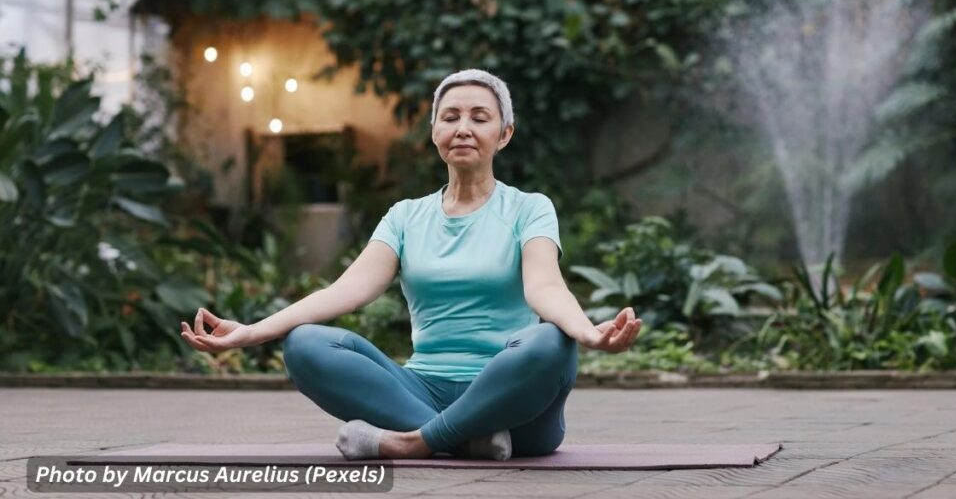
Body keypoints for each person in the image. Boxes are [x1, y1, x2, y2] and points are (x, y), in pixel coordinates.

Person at [179, 69, 642, 461]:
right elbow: (346, 291)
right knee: (304, 345)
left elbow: (544, 287)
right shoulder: (405, 216)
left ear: (504, 135)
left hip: (515, 408)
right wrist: (253, 332)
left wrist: (587, 332)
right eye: (451, 117)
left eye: (480, 118)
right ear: (434, 131)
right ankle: (465, 439)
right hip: (419, 390)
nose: (463, 127)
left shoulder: (529, 208)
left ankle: (411, 443)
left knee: (550, 343)